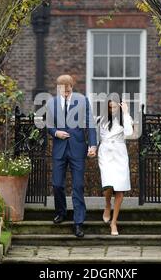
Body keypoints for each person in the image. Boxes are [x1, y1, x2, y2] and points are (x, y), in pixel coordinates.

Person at [45, 74, 97, 238]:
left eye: (68, 91)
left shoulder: (82, 100)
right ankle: (61, 212)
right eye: (63, 91)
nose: (66, 94)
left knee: (78, 186)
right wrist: (55, 132)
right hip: (59, 149)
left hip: (77, 148)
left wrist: (93, 145)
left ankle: (78, 222)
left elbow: (90, 123)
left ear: (72, 88)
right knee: (57, 184)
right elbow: (48, 125)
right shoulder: (51, 103)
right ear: (58, 89)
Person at [96, 94, 133, 236]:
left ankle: (114, 222)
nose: (113, 110)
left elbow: (129, 133)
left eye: (115, 107)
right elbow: (96, 137)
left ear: (120, 106)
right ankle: (107, 204)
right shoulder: (101, 120)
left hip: (120, 154)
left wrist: (126, 112)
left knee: (120, 188)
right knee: (108, 185)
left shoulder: (125, 119)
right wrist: (92, 148)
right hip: (105, 154)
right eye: (110, 107)